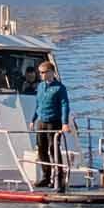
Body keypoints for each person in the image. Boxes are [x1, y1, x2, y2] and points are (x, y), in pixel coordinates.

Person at [29, 57, 72, 190]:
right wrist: (33, 119)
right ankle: (46, 176)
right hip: (41, 121)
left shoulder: (60, 88)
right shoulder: (41, 87)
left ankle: (59, 179)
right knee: (41, 150)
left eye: (44, 72)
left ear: (52, 72)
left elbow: (65, 105)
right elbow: (38, 104)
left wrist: (64, 123)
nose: (41, 75)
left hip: (54, 122)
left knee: (54, 149)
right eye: (40, 72)